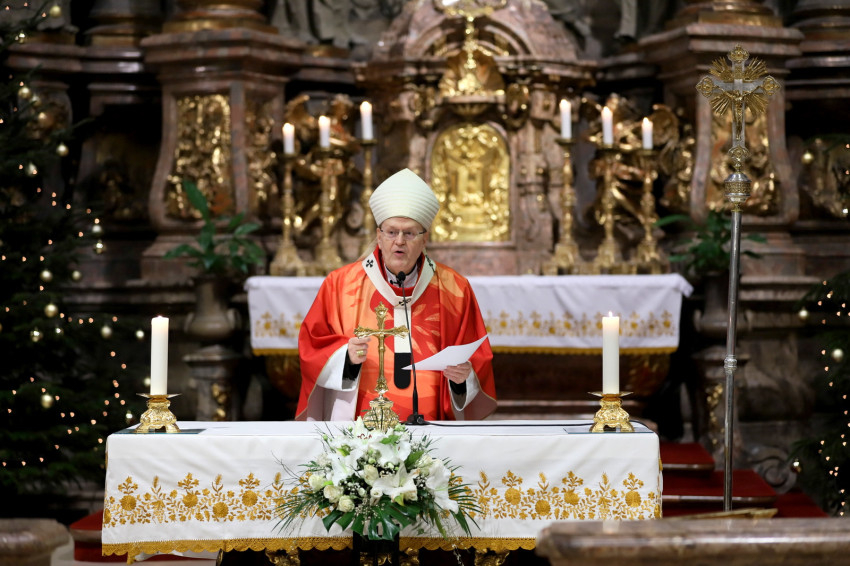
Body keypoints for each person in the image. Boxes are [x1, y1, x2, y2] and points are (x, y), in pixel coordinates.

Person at [296, 168, 497, 421]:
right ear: (379, 236)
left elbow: (477, 360)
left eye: (409, 233)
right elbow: (311, 347)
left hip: (432, 426)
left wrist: (462, 379)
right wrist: (344, 358)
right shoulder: (340, 285)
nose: (399, 241)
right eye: (391, 232)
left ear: (424, 239)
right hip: (361, 427)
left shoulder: (454, 289)